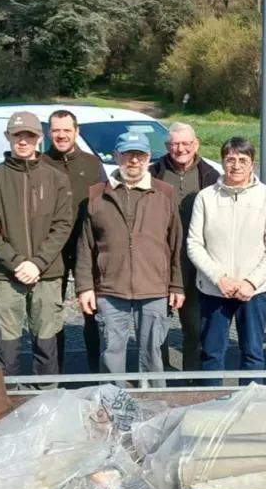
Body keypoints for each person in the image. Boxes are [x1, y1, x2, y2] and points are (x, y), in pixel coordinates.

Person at [0, 111, 74, 383]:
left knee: (47, 344)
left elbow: (63, 225)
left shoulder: (56, 179)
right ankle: (8, 398)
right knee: (6, 346)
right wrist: (17, 263)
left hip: (46, 274)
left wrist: (37, 263)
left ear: (39, 138)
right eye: (18, 135)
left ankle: (47, 396)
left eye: (29, 135)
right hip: (5, 275)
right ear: (8, 137)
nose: (23, 141)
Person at [75, 132, 185, 379]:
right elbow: (85, 247)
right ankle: (112, 398)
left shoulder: (165, 193)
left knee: (153, 353)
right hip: (110, 289)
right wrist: (85, 287)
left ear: (148, 157)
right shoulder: (97, 195)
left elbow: (176, 244)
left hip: (154, 288)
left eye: (140, 155)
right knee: (111, 353)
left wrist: (177, 285)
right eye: (127, 154)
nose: (134, 160)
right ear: (116, 156)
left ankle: (153, 399)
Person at [186, 137, 266, 385]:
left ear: (253, 163)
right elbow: (194, 244)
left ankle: (251, 402)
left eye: (243, 160)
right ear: (222, 162)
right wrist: (219, 278)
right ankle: (212, 402)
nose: (236, 165)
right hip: (214, 289)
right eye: (230, 159)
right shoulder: (206, 197)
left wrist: (251, 282)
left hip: (254, 291)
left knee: (252, 353)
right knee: (211, 353)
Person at [39, 109, 109, 374]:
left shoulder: (92, 164)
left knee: (91, 312)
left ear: (76, 132)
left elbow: (104, 205)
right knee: (50, 313)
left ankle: (96, 372)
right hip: (51, 250)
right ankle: (54, 373)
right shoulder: (40, 164)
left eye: (67, 130)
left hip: (86, 248)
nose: (61, 135)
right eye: (56, 130)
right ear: (49, 132)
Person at [149, 122, 220, 374]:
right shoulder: (153, 174)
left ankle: (192, 375)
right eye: (175, 144)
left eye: (186, 143)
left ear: (196, 144)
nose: (180, 149)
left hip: (196, 261)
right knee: (157, 325)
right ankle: (160, 374)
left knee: (195, 325)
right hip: (159, 259)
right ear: (167, 146)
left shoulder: (210, 175)